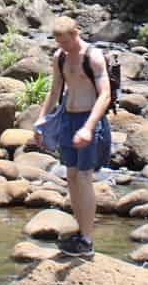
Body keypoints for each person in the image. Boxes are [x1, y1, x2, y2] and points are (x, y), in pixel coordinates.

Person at [35, 15, 112, 258]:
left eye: (66, 42)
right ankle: (80, 232)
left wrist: (89, 127)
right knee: (71, 174)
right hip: (68, 119)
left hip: (89, 119)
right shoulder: (60, 58)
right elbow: (55, 90)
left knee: (84, 176)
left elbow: (105, 96)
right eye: (59, 43)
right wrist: (41, 119)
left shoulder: (94, 57)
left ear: (76, 33)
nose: (64, 48)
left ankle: (87, 240)